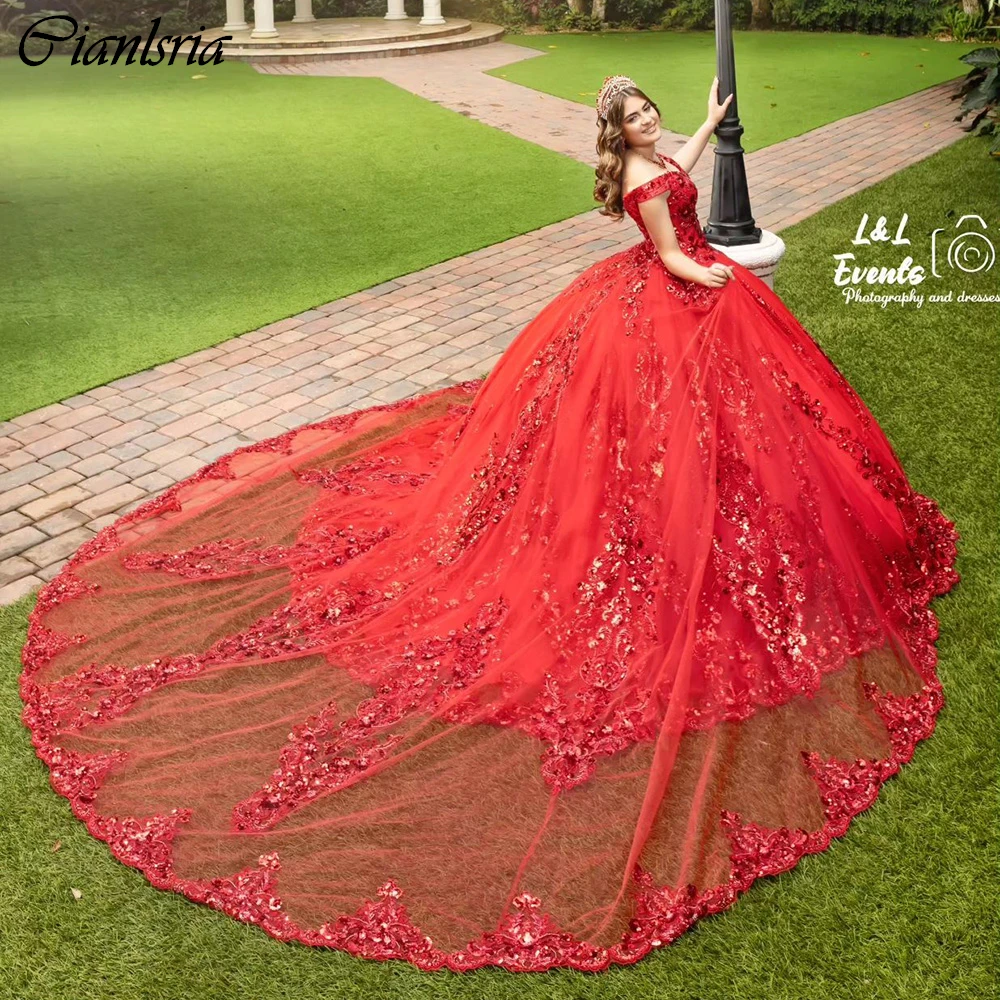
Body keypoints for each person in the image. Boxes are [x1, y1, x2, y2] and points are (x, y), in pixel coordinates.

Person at [19, 74, 960, 974]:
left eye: (648, 109)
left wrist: (710, 125)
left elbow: (682, 165)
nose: (647, 122)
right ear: (614, 134)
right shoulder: (640, 184)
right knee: (655, 448)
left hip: (662, 295)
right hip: (672, 298)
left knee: (717, 439)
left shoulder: (654, 158)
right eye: (633, 115)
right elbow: (672, 251)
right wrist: (713, 283)